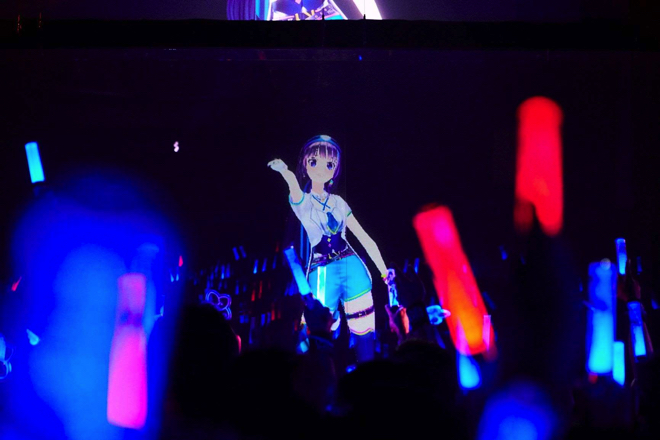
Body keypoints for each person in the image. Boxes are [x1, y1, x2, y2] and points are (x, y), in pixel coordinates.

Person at [268, 135, 391, 362]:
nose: (321, 169)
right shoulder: (303, 202)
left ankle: (369, 374)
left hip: (352, 267)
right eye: (314, 161)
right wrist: (285, 172)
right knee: (317, 335)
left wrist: (385, 272)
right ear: (305, 164)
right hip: (322, 272)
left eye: (330, 164)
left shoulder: (339, 203)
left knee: (364, 333)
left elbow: (364, 237)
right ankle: (317, 377)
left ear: (335, 170)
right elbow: (293, 187)